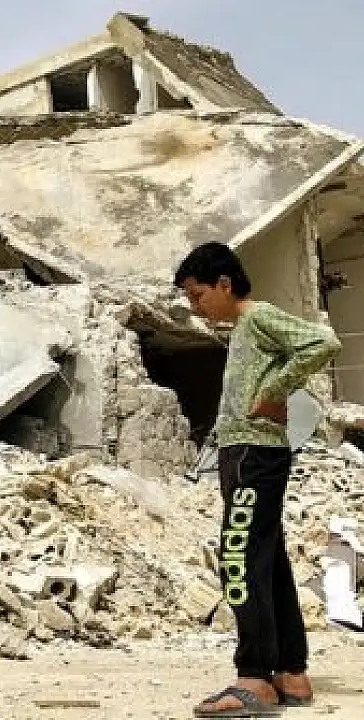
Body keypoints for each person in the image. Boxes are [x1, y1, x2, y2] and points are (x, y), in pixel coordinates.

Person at [174, 242, 341, 718]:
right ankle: (290, 672)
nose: (196, 307)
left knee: (238, 558)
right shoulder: (245, 329)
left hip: (253, 454)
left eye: (198, 295)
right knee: (267, 560)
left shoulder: (259, 316)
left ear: (225, 284)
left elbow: (323, 343)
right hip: (248, 452)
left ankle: (254, 678)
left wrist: (274, 391)